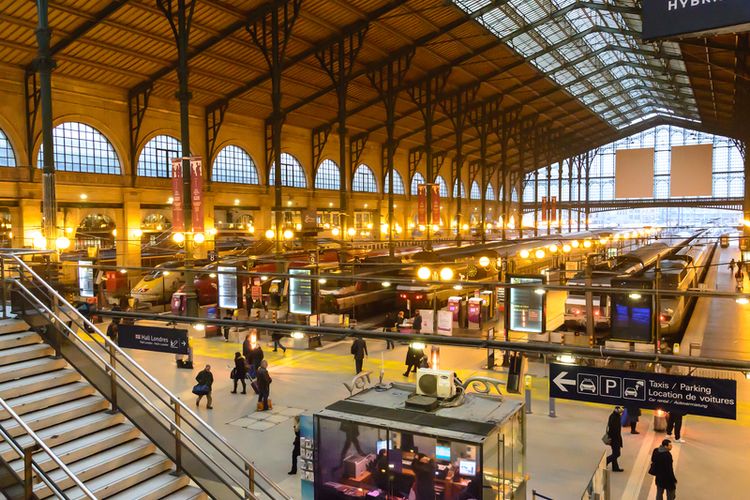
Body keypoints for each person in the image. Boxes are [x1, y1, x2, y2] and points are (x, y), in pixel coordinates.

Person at [605, 406, 624, 472]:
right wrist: (614, 439)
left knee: (614, 452)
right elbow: (614, 430)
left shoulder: (613, 415)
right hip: (615, 439)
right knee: (617, 453)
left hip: (614, 438)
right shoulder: (615, 418)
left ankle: (615, 467)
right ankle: (605, 461)